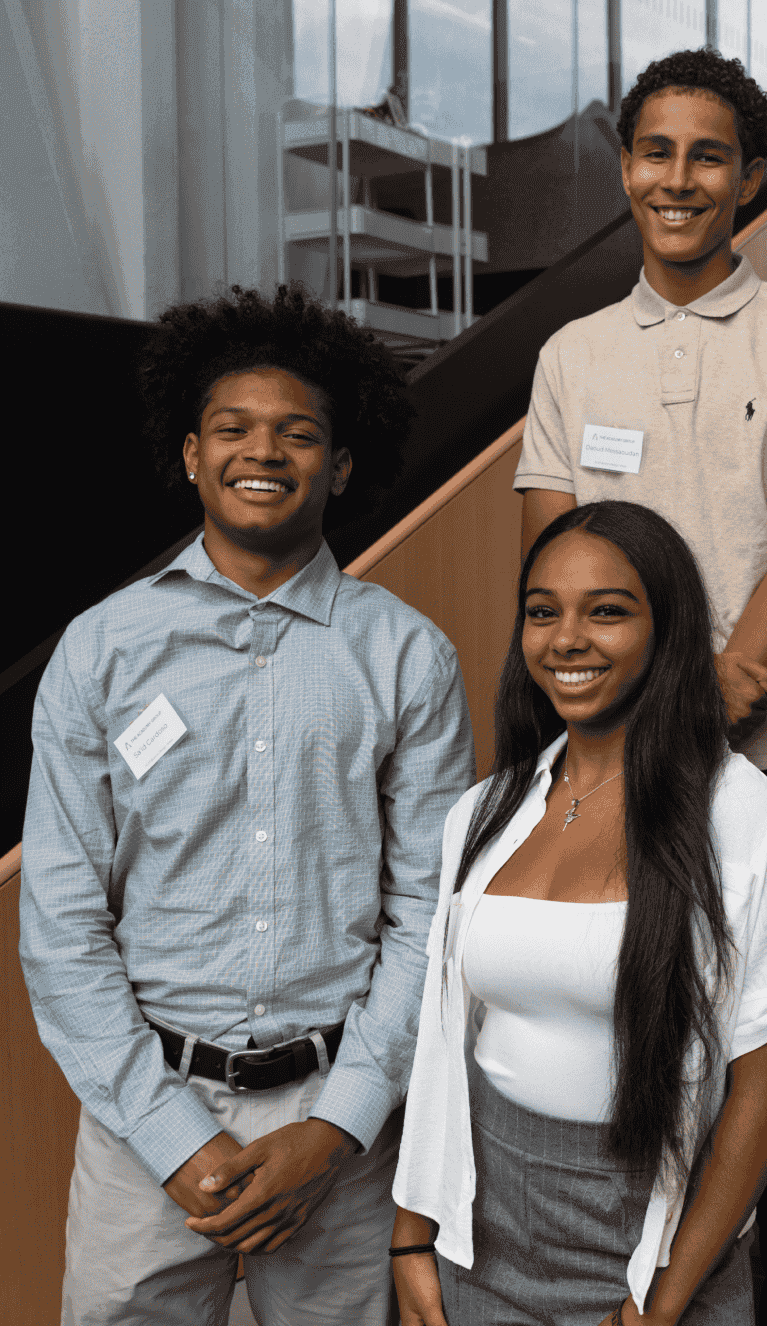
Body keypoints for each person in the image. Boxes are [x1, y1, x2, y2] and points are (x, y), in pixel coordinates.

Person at [19, 284, 475, 1325]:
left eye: (297, 433)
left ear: (340, 465)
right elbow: (60, 924)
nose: (262, 450)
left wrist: (341, 1125)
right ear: (191, 454)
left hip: (340, 1124)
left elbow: (431, 916)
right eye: (232, 428)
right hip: (144, 1115)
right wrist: (172, 1136)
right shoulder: (100, 650)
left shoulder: (408, 656)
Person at [514, 48, 767, 1317]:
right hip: (612, 759)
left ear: (748, 177)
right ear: (624, 168)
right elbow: (552, 553)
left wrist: (708, 701)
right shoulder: (571, 354)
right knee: (635, 1045)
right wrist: (632, 721)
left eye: (707, 155)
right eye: (655, 151)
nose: (678, 178)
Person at [388, 501, 767, 1326]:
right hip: (481, 1236)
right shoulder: (485, 811)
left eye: (607, 611)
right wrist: (411, 1234)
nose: (567, 639)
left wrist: (658, 1305)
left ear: (668, 631)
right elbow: (442, 1039)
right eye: (543, 612)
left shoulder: (744, 818)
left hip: (652, 1245)